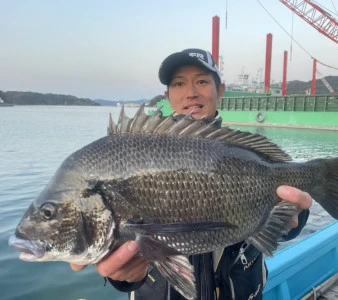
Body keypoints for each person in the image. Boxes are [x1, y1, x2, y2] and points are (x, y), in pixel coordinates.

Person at [71, 48, 312, 299]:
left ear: (220, 90)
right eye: (178, 83)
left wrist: (294, 219)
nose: (191, 92)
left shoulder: (244, 152)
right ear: (167, 95)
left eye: (202, 81)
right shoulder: (134, 154)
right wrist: (122, 276)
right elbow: (126, 266)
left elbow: (282, 226)